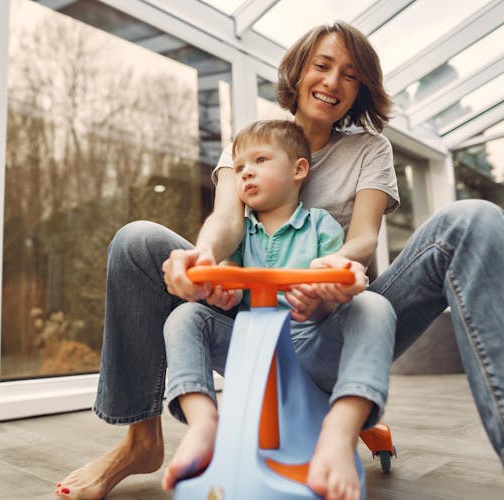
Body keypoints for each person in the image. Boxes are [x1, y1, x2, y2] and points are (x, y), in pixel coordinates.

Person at [55, 22, 504, 500]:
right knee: (135, 239)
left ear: (362, 88)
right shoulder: (253, 142)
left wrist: (333, 270)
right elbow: (226, 221)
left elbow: (364, 238)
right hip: (247, 322)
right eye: (322, 65)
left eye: (350, 74)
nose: (333, 81)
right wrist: (203, 258)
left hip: (337, 323)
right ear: (300, 70)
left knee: (475, 218)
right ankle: (140, 443)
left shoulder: (371, 148)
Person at [161, 119, 396, 499]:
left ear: (299, 169)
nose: (246, 172)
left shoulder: (320, 226)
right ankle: (203, 424)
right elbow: (228, 281)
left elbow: (335, 282)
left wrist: (324, 294)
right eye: (239, 168)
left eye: (260, 160)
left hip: (311, 341)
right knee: (184, 316)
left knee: (373, 307)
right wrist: (223, 293)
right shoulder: (241, 232)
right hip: (249, 344)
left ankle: (340, 432)